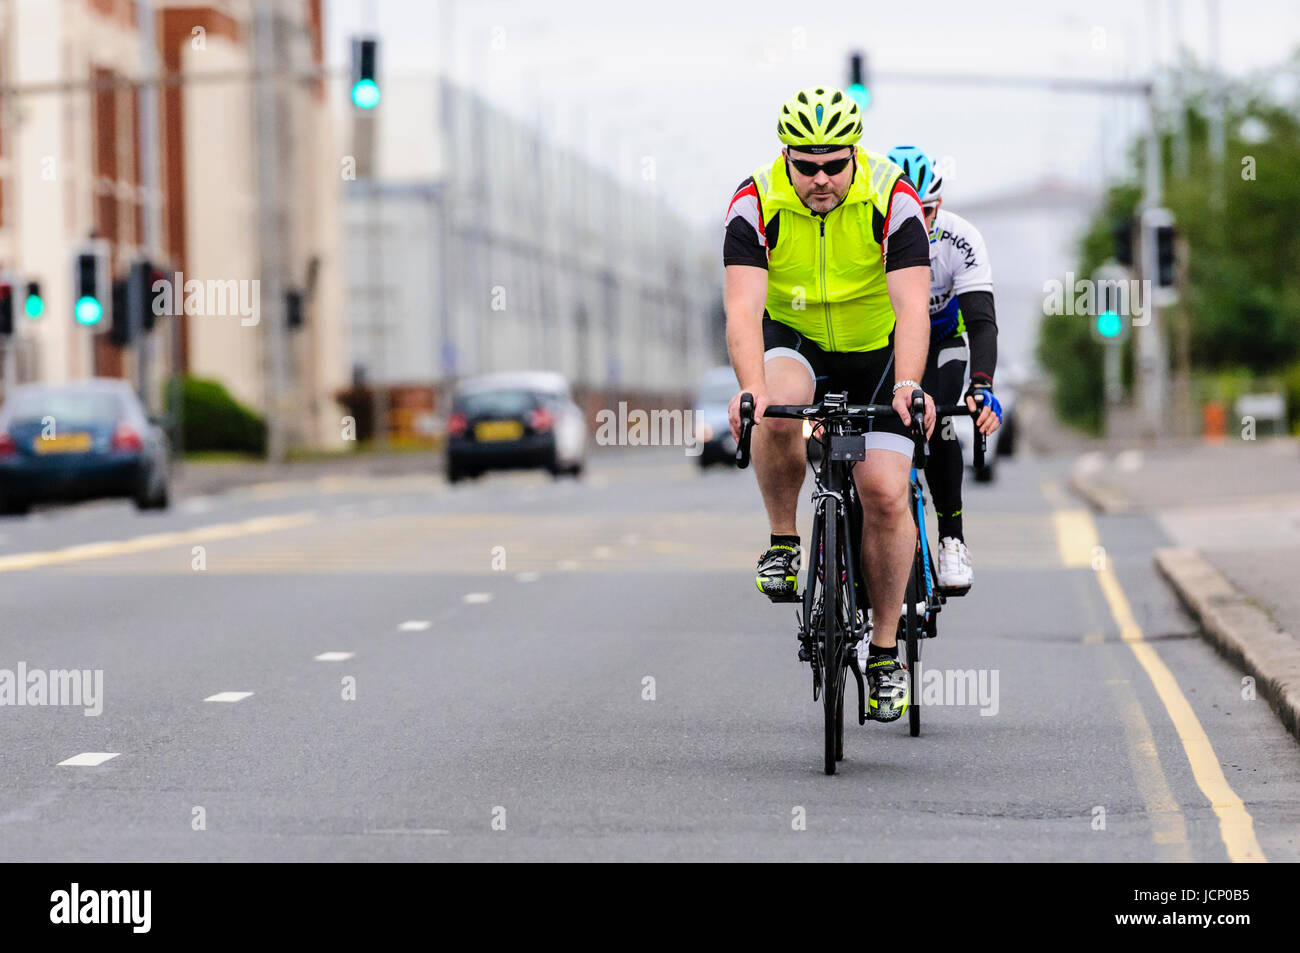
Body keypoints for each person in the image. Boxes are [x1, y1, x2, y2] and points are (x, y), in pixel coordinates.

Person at [723, 87, 934, 723]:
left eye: (833, 164)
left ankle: (884, 652)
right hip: (797, 337)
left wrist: (908, 384)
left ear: (854, 154)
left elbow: (912, 309)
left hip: (876, 349)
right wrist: (750, 389)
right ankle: (785, 543)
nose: (819, 179)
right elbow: (741, 310)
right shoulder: (755, 202)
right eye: (805, 164)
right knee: (776, 405)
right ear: (785, 155)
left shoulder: (892, 200)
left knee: (886, 494)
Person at [886, 146, 1002, 591]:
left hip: (942, 340)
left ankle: (952, 538)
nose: (921, 223)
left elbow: (981, 322)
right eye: (909, 212)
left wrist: (982, 386)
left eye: (928, 211)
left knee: (942, 419)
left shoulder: (962, 239)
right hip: (886, 339)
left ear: (940, 204)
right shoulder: (870, 239)